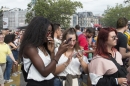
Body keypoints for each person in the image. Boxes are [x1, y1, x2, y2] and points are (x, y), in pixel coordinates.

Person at [19, 16, 70, 86]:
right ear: (38, 31)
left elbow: (52, 71)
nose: (49, 35)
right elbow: (44, 72)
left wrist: (52, 52)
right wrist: (59, 53)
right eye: (47, 32)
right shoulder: (30, 47)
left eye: (51, 32)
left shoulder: (43, 45)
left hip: (49, 82)